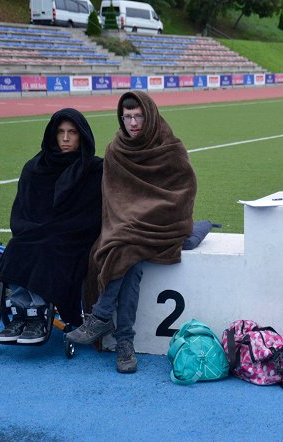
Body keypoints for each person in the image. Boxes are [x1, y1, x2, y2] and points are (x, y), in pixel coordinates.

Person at [66, 91, 197, 374]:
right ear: (121, 118)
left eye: (138, 116)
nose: (133, 123)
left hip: (165, 223)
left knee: (125, 246)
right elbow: (115, 198)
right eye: (127, 117)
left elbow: (183, 191)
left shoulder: (170, 147)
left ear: (148, 116)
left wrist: (145, 215)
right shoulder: (116, 150)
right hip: (128, 226)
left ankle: (100, 316)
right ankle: (125, 341)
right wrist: (131, 220)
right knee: (129, 257)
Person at [0, 108, 103, 344]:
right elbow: (20, 212)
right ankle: (20, 313)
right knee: (18, 245)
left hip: (73, 237)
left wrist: (56, 229)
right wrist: (34, 228)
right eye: (60, 132)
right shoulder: (34, 168)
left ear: (81, 135)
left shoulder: (94, 169)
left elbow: (92, 216)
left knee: (47, 245)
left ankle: (37, 313)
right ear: (52, 135)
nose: (65, 138)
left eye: (72, 132)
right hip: (35, 231)